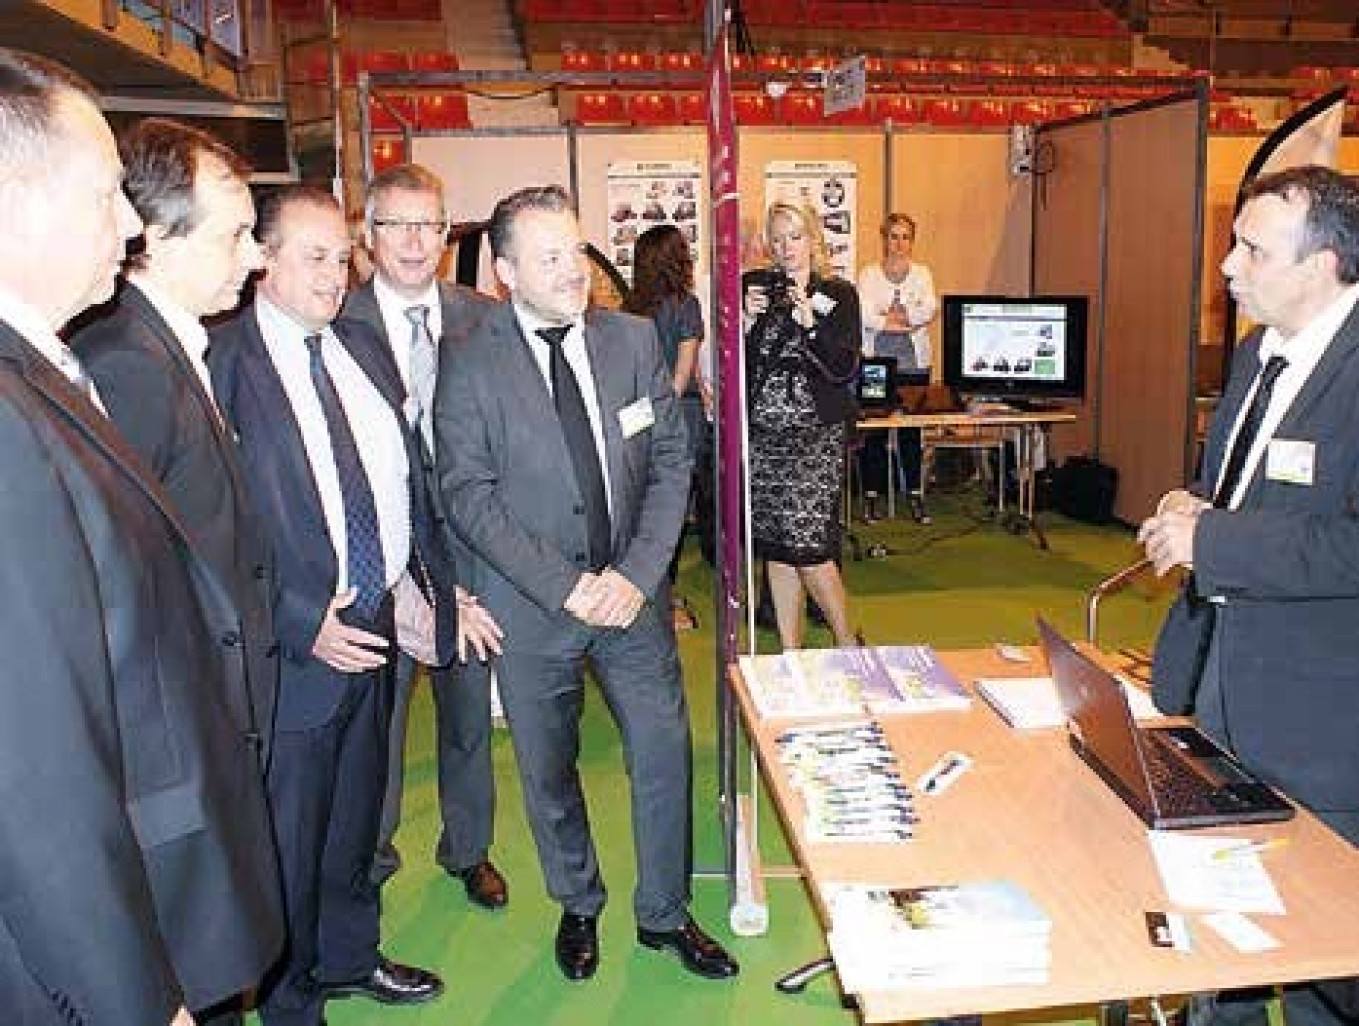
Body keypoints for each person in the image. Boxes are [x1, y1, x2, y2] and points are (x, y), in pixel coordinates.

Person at [0, 48, 282, 1025]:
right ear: (15, 197)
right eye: (107, 195)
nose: (128, 227)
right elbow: (33, 768)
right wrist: (134, 996)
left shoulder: (44, 373)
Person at [435, 185, 738, 984]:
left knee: (664, 750)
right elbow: (465, 494)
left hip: (631, 601)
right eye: (548, 258)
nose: (572, 271)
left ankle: (665, 913)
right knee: (548, 769)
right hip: (534, 611)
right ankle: (578, 901)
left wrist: (638, 576)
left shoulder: (633, 341)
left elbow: (671, 464)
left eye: (574, 250)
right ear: (505, 273)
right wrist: (565, 586)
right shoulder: (468, 361)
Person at [211, 186, 467, 1025]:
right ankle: (290, 1003)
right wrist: (297, 618)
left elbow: (400, 482)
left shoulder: (357, 341)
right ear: (264, 259)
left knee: (358, 819)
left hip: (379, 623)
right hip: (297, 644)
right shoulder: (226, 363)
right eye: (313, 257)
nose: (335, 274)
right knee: (290, 835)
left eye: (339, 257)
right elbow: (209, 525)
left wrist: (414, 585)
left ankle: (351, 957)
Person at [1139, 165, 1359, 1026]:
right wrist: (1194, 507)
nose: (1227, 268)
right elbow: (1243, 495)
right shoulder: (1253, 354)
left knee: (1318, 959)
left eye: (1251, 250)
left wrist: (1217, 539)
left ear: (1324, 264)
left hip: (1322, 724)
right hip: (1218, 689)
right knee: (1221, 935)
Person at [72, 118, 279, 782]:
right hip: (193, 724)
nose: (255, 258)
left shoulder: (169, 346)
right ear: (157, 238)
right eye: (234, 236)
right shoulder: (126, 366)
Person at [339, 162, 507, 904]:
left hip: (470, 555)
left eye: (426, 225)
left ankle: (467, 849)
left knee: (468, 712)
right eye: (395, 224)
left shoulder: (484, 318)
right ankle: (367, 856)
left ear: (445, 234)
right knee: (376, 721)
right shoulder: (336, 323)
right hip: (381, 558)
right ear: (366, 237)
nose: (412, 241)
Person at [743, 199, 862, 649]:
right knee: (777, 545)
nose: (786, 247)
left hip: (816, 438)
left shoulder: (839, 294)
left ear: (813, 239)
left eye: (795, 236)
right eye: (777, 239)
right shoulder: (758, 291)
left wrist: (811, 324)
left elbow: (843, 368)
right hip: (766, 436)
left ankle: (846, 642)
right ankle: (791, 655)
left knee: (810, 547)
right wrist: (746, 322)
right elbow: (744, 370)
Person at [622, 222, 705, 629]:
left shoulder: (629, 308)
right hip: (677, 422)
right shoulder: (686, 306)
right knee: (669, 515)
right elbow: (681, 377)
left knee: (642, 516)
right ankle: (666, 607)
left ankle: (648, 597)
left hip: (636, 423)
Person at [856, 213, 937, 524]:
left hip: (914, 366)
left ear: (911, 242)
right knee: (875, 431)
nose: (899, 244)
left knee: (910, 433)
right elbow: (864, 314)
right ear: (884, 239)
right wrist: (887, 322)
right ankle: (872, 497)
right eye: (893, 236)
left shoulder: (922, 273)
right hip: (876, 362)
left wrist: (904, 318)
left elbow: (929, 308)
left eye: (905, 237)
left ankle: (915, 495)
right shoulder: (868, 274)